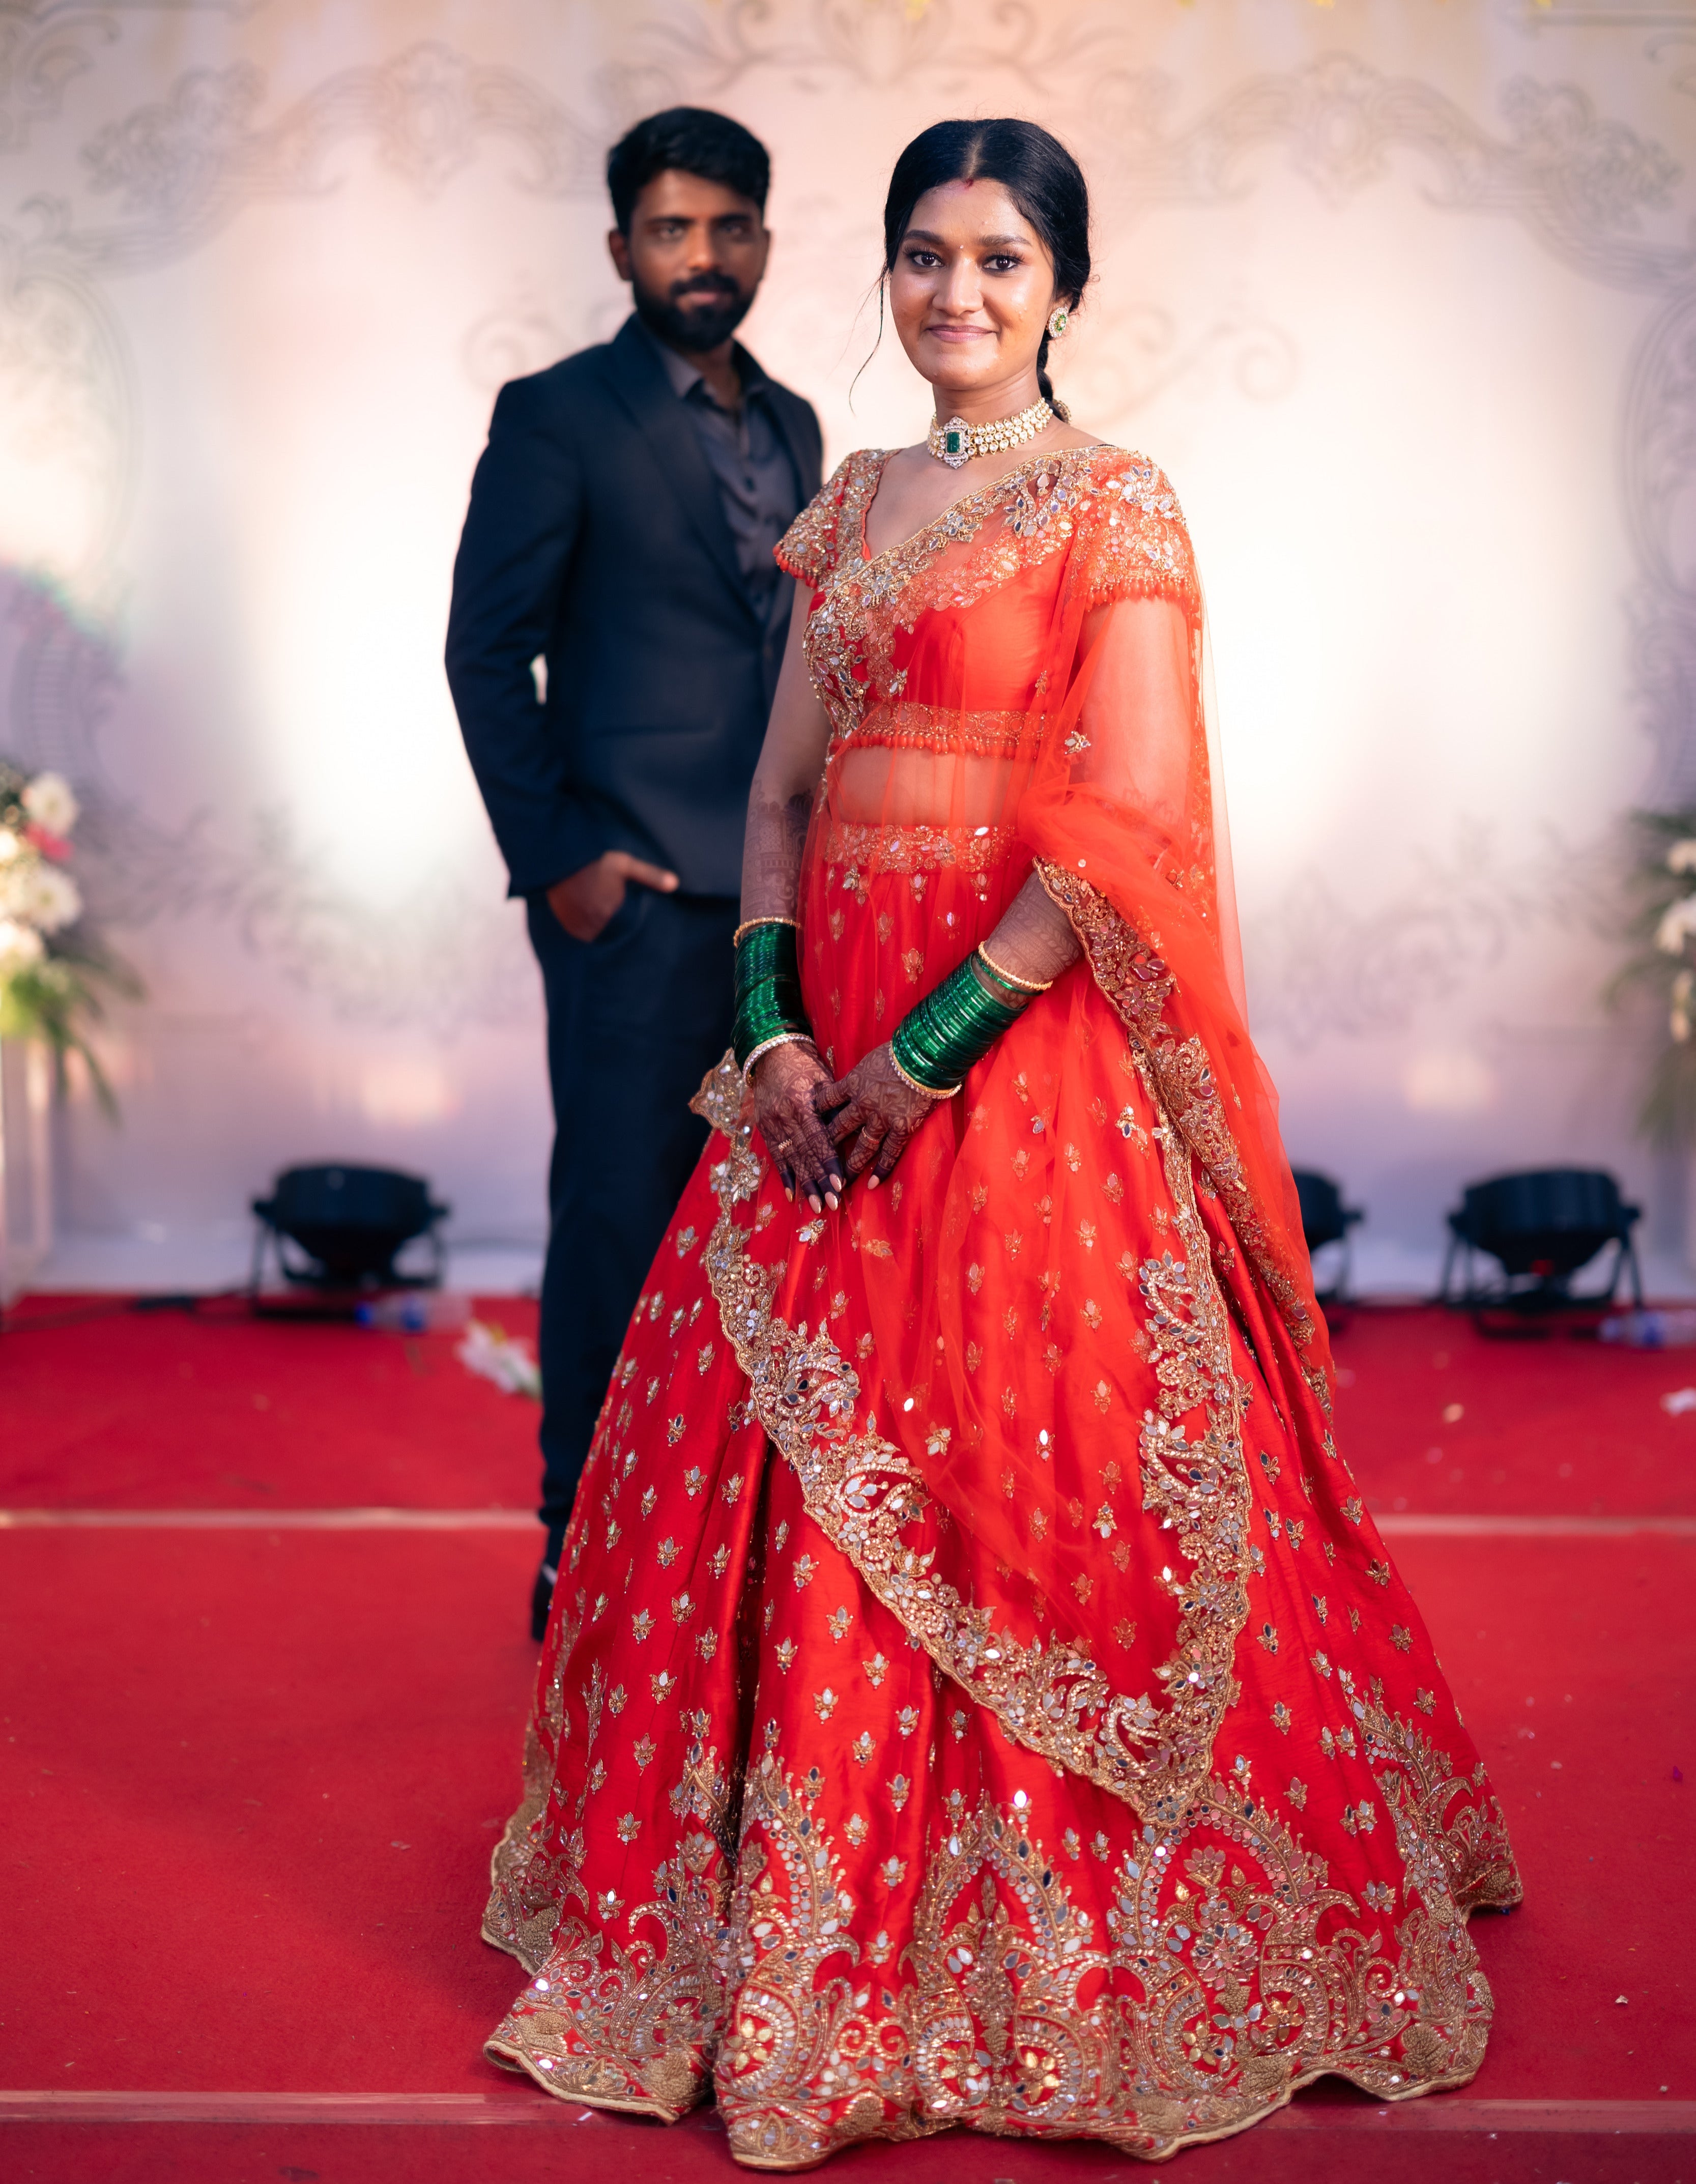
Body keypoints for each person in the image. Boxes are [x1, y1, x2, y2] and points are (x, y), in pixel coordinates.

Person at [477, 119, 1520, 2166]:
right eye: (925, 257)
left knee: (1036, 1461)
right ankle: (794, 1920)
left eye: (1000, 261)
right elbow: (781, 795)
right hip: (819, 1058)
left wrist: (924, 1055)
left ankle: (1050, 1944)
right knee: (765, 1462)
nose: (956, 294)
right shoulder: (849, 503)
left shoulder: (1113, 505)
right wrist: (777, 1030)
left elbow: (1119, 832)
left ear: (1063, 286)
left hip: (1020, 1069)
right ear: (885, 278)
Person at [446, 109, 824, 1639]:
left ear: (765, 244)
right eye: (672, 230)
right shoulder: (558, 415)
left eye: (730, 228)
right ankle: (574, 1546)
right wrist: (563, 866)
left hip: (784, 910)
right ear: (622, 249)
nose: (703, 257)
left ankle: (730, 1553)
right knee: (616, 1223)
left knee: (770, 1231)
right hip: (636, 910)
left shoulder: (800, 424)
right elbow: (485, 650)